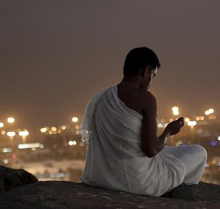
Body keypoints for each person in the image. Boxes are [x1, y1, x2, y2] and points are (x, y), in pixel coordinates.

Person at [80, 47, 207, 198]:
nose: (151, 81)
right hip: (138, 182)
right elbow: (151, 150)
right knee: (199, 152)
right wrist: (168, 132)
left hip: (101, 178)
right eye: (152, 75)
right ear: (145, 71)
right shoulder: (145, 98)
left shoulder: (102, 97)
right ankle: (181, 192)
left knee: (169, 153)